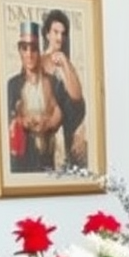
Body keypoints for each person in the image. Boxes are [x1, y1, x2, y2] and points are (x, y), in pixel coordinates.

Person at [6, 21, 64, 173]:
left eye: (33, 49)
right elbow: (7, 120)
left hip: (46, 160)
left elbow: (61, 111)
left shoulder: (53, 82)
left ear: (39, 52)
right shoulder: (12, 85)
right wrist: (22, 121)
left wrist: (50, 123)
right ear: (20, 51)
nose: (29, 55)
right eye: (24, 49)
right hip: (22, 161)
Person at [41, 9, 88, 168]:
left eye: (63, 33)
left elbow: (76, 96)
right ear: (47, 34)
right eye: (55, 32)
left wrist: (65, 64)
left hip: (67, 132)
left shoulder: (67, 63)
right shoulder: (38, 61)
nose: (59, 37)